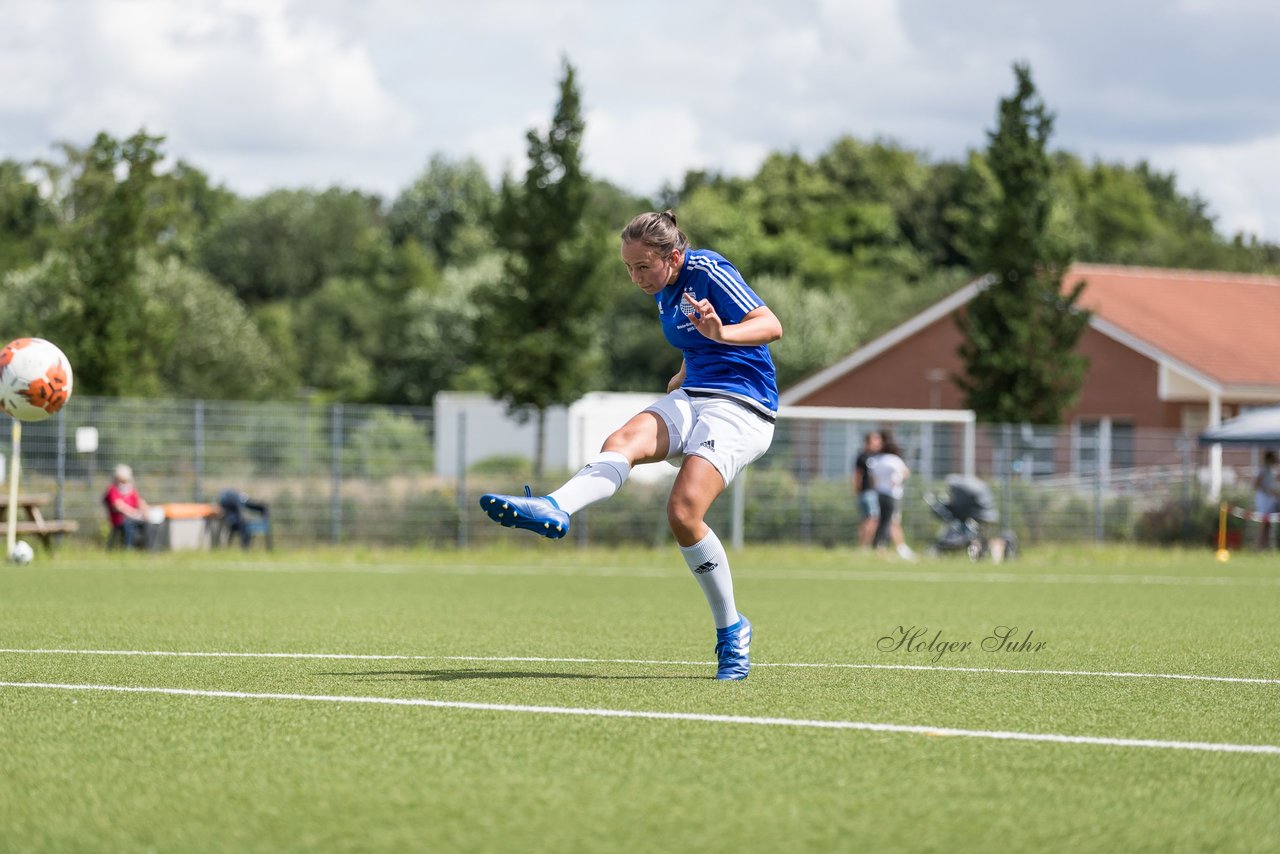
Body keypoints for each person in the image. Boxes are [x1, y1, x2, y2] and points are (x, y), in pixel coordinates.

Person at [479, 210, 783, 680]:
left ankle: (732, 631)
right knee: (620, 440)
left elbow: (770, 325)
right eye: (628, 268)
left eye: (643, 267)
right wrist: (687, 369)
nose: (635, 277)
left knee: (683, 513)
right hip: (696, 394)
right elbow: (696, 336)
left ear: (674, 256)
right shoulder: (663, 289)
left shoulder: (708, 268)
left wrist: (721, 333)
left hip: (743, 407)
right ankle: (554, 507)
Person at [867, 432, 914, 559]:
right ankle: (881, 545)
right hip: (891, 494)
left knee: (882, 519)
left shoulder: (876, 460)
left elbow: (872, 479)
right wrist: (897, 480)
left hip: (879, 493)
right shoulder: (894, 460)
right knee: (888, 521)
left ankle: (891, 545)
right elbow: (905, 472)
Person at [104, 464, 151, 549]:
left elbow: (139, 501)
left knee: (148, 523)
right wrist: (132, 513)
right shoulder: (112, 489)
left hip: (134, 517)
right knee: (128, 523)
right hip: (119, 519)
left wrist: (145, 510)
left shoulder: (131, 489)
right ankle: (128, 548)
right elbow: (118, 506)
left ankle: (145, 547)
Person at [852, 430, 883, 548]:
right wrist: (857, 491)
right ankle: (864, 546)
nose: (878, 443)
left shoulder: (877, 457)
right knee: (871, 518)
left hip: (873, 492)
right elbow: (857, 476)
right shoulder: (862, 457)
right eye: (875, 440)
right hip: (866, 492)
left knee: (870, 519)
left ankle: (864, 546)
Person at [1255, 450, 1279, 550]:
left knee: (1268, 524)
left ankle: (1266, 547)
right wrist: (1268, 492)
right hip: (1263, 500)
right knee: (1263, 523)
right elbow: (1256, 484)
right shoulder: (1263, 469)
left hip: (1270, 500)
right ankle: (1258, 546)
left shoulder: (1271, 469)